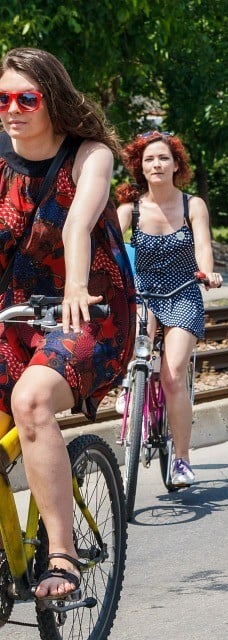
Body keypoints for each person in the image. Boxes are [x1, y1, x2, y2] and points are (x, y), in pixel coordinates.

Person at [0, 47, 136, 600]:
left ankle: (62, 555)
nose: (12, 109)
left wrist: (76, 286)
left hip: (87, 310)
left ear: (51, 99)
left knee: (31, 402)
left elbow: (79, 222)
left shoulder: (90, 154)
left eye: (26, 98)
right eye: (3, 98)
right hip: (11, 310)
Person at [115, 131, 223, 487]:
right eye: (149, 160)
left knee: (174, 372)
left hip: (183, 292)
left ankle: (181, 459)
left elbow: (203, 247)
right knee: (135, 348)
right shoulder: (129, 209)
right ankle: (130, 385)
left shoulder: (193, 205)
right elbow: (109, 248)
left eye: (163, 158)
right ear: (140, 168)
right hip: (143, 293)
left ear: (176, 165)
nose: (156, 165)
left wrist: (208, 272)